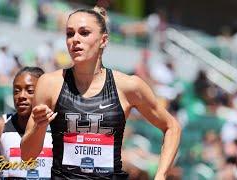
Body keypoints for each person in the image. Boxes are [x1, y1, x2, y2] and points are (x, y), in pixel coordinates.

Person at [20, 4, 181, 180]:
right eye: (69, 33)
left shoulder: (128, 86)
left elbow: (171, 126)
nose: (75, 39)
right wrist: (39, 125)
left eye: (84, 32)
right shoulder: (49, 84)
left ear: (103, 40)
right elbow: (27, 156)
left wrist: (161, 174)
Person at [0, 67, 53, 179]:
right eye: (16, 91)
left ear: (44, 93)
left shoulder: (58, 125)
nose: (21, 96)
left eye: (30, 91)